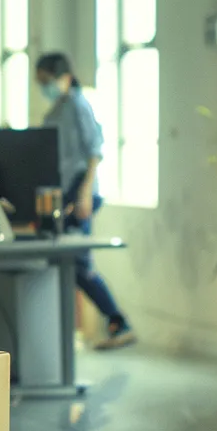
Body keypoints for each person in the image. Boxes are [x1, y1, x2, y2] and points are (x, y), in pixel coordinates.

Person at [35, 53, 136, 349]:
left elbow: (95, 150)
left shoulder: (79, 105)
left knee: (79, 264)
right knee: (62, 263)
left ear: (65, 77)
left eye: (47, 80)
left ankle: (118, 321)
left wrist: (84, 193)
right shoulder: (56, 111)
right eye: (40, 82)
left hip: (80, 192)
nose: (44, 86)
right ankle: (66, 332)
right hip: (62, 194)